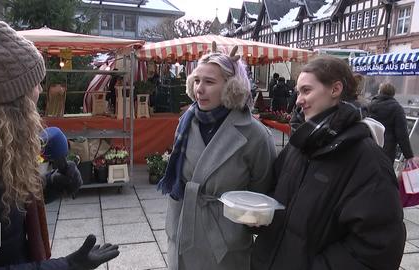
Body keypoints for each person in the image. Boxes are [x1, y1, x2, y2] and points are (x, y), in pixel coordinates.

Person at [0, 16, 119, 269]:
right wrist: (66, 266)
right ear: (11, 100)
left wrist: (49, 186)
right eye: (35, 84)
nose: (40, 91)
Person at [251, 56, 406, 270]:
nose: (298, 100)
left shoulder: (368, 160)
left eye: (306, 91)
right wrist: (259, 214)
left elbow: (378, 248)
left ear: (335, 90)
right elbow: (275, 193)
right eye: (298, 92)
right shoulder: (299, 145)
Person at [158, 43, 277, 270]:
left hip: (224, 239)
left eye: (209, 82)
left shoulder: (255, 134)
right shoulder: (186, 122)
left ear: (232, 87)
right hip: (182, 224)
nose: (200, 89)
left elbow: (263, 191)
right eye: (197, 80)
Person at [367, 82, 414, 163]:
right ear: (393, 93)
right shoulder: (397, 108)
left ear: (379, 91)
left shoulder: (369, 105)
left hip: (369, 147)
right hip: (387, 150)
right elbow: (402, 135)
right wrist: (409, 156)